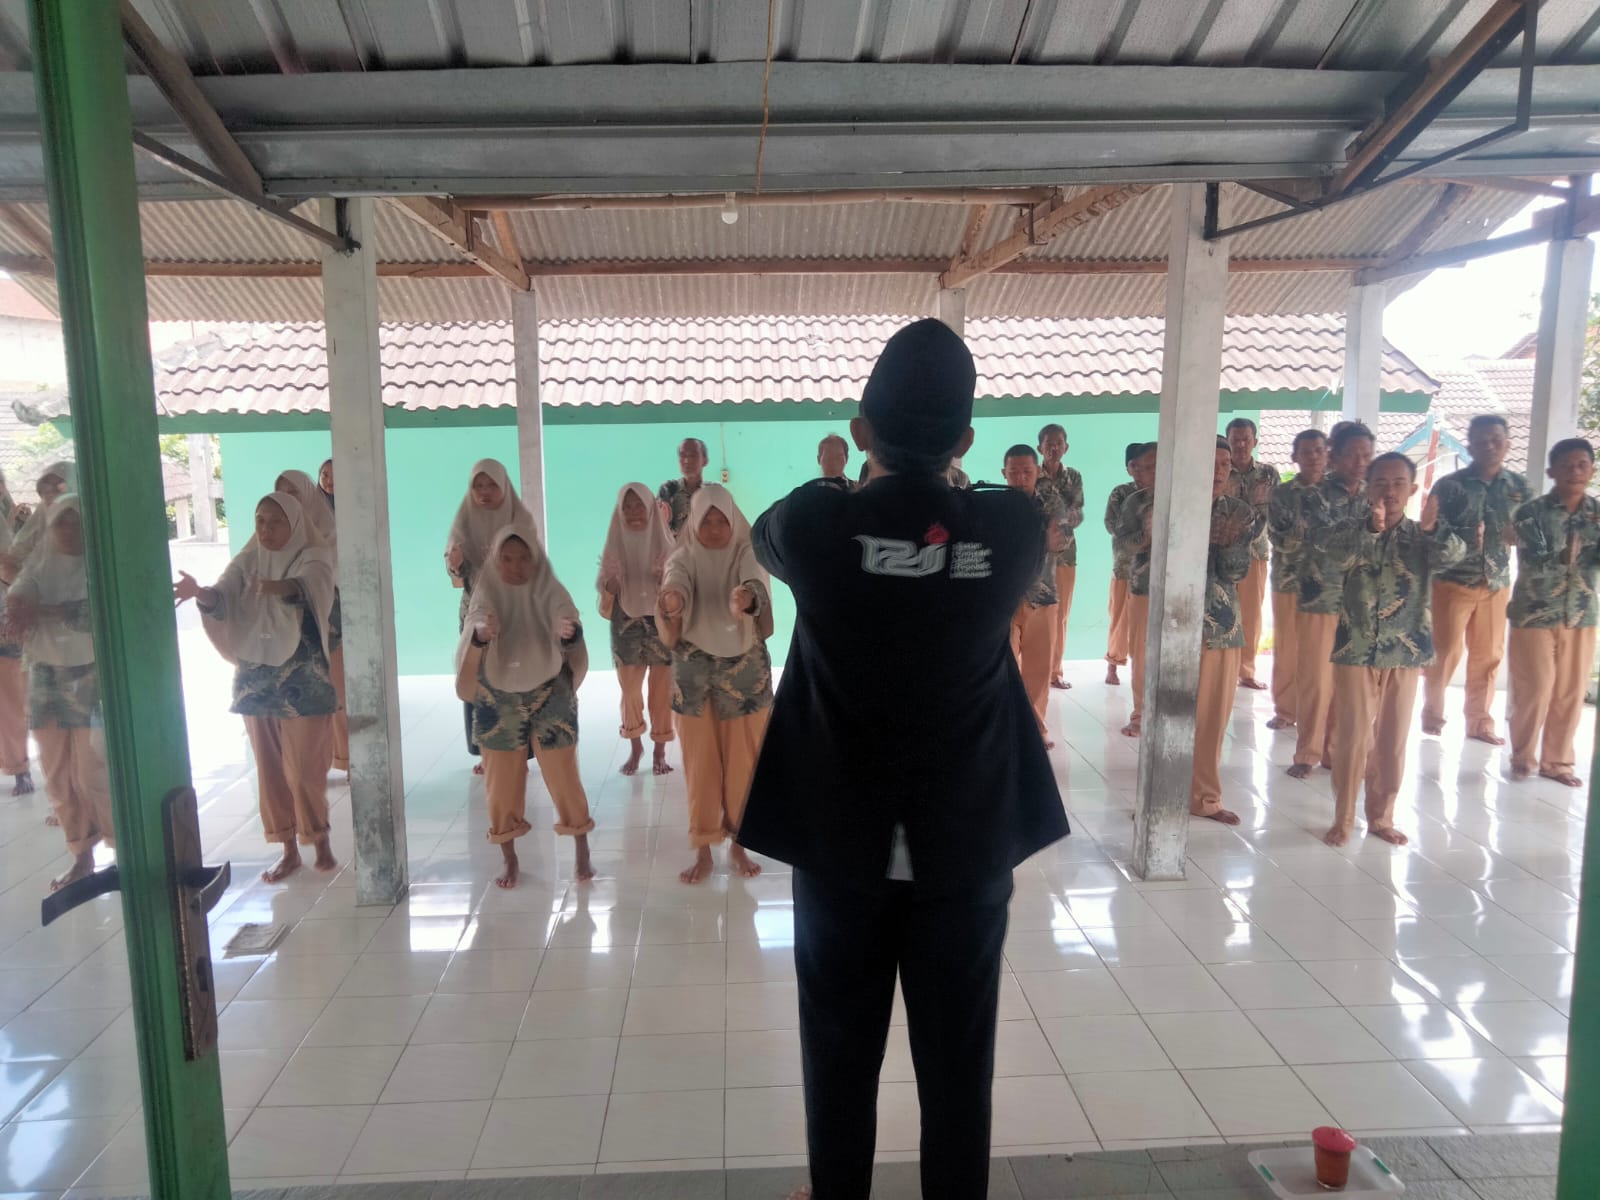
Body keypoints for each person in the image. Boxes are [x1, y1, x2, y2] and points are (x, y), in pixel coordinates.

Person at [737, 318, 1068, 1200]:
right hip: (965, 842)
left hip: (842, 841)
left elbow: (767, 536)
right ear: (965, 441)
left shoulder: (816, 523)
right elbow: (981, 519)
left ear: (859, 433)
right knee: (960, 1065)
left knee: (838, 1052)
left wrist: (859, 510)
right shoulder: (1012, 526)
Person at [175, 494, 338, 883]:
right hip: (256, 679)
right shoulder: (248, 560)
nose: (265, 529)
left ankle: (319, 839)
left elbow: (311, 586)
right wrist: (200, 593)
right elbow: (222, 596)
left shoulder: (313, 555)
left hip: (304, 679)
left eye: (275, 521)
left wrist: (277, 587)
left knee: (304, 769)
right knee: (268, 767)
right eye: (260, 520)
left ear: (293, 524)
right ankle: (288, 849)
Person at [1323, 454, 1463, 847]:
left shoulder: (1423, 535)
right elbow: (1334, 559)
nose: (1389, 490)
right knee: (1353, 738)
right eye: (1381, 482)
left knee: (1392, 739)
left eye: (1398, 482)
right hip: (1356, 647)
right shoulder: (1349, 530)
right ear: (1368, 489)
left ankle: (1381, 817)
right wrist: (1370, 529)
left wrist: (1434, 528)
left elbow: (1453, 556)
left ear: (1413, 489)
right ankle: (1343, 817)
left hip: (1405, 648)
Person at [458, 526, 595, 888]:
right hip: (497, 697)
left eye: (523, 558)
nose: (516, 566)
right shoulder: (487, 591)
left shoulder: (548, 587)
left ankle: (581, 846)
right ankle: (509, 857)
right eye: (507, 559)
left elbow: (566, 615)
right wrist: (481, 635)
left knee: (564, 774)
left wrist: (569, 631)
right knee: (501, 783)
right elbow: (476, 622)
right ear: (496, 560)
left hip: (550, 692)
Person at [656, 484, 773, 885]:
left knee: (744, 762)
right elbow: (676, 580)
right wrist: (672, 600)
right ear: (694, 523)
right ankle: (704, 849)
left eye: (723, 520)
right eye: (707, 521)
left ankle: (739, 842)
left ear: (733, 520)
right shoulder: (684, 555)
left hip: (744, 675)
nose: (716, 528)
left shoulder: (745, 550)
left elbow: (755, 581)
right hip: (694, 679)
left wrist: (746, 598)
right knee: (700, 764)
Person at [6, 497, 112, 892]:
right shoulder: (40, 565)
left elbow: (93, 613)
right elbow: (21, 590)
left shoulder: (102, 568)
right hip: (46, 679)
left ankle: (125, 847)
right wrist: (18, 605)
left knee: (92, 772)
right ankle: (81, 856)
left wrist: (45, 612)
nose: (68, 530)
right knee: (57, 775)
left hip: (91, 677)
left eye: (76, 523)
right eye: (61, 523)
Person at [1421, 414, 1533, 744]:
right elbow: (1431, 531)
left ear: (1507, 444)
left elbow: (1536, 532)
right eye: (1481, 440)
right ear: (1469, 446)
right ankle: (1433, 712)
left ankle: (1480, 721)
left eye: (1496, 440)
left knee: (1488, 655)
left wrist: (1519, 537)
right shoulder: (1450, 486)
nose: (1489, 446)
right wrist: (1466, 539)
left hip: (1496, 583)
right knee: (1444, 652)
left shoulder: (1520, 488)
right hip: (1452, 581)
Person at [1506, 438, 1600, 787]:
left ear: (1592, 470)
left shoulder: (1597, 514)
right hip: (1534, 612)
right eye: (1567, 465)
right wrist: (1561, 557)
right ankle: (1523, 755)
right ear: (1551, 472)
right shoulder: (1531, 513)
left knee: (1570, 692)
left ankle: (1557, 762)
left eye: (1582, 464)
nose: (1575, 471)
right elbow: (1531, 560)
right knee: (1535, 688)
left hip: (1580, 613)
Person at [1283, 422, 1373, 779]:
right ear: (1335, 456)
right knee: (1317, 681)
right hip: (1320, 597)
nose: (1360, 462)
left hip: (1363, 603)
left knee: (1351, 683)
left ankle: (1337, 751)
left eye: (1366, 455)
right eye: (1353, 455)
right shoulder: (1313, 495)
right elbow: (1317, 540)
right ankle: (1308, 752)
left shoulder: (1374, 493)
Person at [445, 459, 537, 772]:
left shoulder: (520, 519)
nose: (484, 492)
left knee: (514, 679)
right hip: (476, 611)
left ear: (504, 486)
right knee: (479, 679)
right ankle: (489, 751)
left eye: (491, 485)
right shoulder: (464, 520)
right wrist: (455, 564)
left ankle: (519, 750)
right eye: (478, 486)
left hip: (514, 610)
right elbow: (454, 572)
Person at [1192, 439, 1260, 826]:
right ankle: (1159, 794)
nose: (1218, 471)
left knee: (1212, 718)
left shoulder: (1240, 512)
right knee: (1165, 713)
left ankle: (1205, 798)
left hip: (1220, 626)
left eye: (1224, 464)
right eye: (1211, 462)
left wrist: (1224, 541)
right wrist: (1214, 539)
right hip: (1170, 623)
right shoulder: (1167, 504)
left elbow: (1234, 570)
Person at [598, 483, 676, 777]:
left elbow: (680, 590)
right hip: (626, 625)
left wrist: (664, 580)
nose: (633, 512)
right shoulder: (615, 542)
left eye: (638, 506)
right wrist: (610, 585)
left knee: (661, 692)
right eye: (627, 506)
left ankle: (659, 751)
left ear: (650, 508)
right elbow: (605, 594)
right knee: (629, 690)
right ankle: (635, 746)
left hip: (660, 624)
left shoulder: (666, 544)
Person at [276, 470, 348, 774]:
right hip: (288, 629)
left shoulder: (328, 532)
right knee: (300, 699)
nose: (287, 499)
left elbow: (333, 576)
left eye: (293, 492)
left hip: (328, 623)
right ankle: (311, 766)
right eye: (282, 492)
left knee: (336, 691)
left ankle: (349, 759)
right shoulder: (273, 533)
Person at [1002, 444, 1069, 747]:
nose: (1020, 478)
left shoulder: (1052, 504)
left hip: (1043, 598)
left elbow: (1061, 542)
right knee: (1004, 668)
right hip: (1005, 600)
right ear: (1004, 473)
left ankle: (1036, 729)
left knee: (1039, 671)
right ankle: (1005, 728)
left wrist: (1038, 542)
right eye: (1014, 472)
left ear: (1037, 471)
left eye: (1026, 471)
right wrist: (1042, 541)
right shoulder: (995, 506)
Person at [1264, 430, 1328, 731]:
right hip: (1290, 582)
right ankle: (1286, 709)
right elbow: (1279, 539)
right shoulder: (1282, 494)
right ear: (1295, 457)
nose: (1313, 457)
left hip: (1329, 587)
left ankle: (1321, 711)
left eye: (1319, 450)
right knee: (1288, 648)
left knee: (1322, 653)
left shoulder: (1339, 491)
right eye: (1306, 451)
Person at [1226, 418, 1277, 690]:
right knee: (1221, 611)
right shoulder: (1219, 470)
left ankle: (1245, 670)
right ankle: (1220, 668)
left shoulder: (1268, 474)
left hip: (1255, 554)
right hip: (1221, 555)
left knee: (1251, 614)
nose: (1241, 444)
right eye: (1235, 439)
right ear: (1228, 441)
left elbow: (1275, 512)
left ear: (1255, 441)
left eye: (1246, 439)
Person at [1035, 424, 1085, 690]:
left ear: (1066, 447)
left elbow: (1077, 511)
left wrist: (1063, 520)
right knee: (1036, 612)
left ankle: (1055, 671)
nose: (1054, 448)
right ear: (1039, 447)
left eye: (1059, 443)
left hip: (1065, 554)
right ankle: (1032, 669)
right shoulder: (1032, 474)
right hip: (1037, 554)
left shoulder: (1073, 477)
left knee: (1061, 614)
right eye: (1048, 443)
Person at [1116, 444, 1158, 738]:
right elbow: (1121, 545)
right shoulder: (1134, 502)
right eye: (1146, 467)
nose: (1152, 472)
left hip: (1188, 589)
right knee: (1142, 654)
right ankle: (1142, 714)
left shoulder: (1190, 497)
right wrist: (1146, 535)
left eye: (1157, 465)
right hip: (1144, 586)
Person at [1102, 442, 1146, 686]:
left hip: (1150, 569)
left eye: (1146, 466)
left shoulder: (1161, 492)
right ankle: (1113, 664)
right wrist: (1141, 535)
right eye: (1135, 466)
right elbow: (1112, 525)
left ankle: (1144, 669)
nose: (1141, 471)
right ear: (1128, 467)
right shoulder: (1121, 493)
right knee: (1120, 617)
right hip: (1125, 566)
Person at [658, 437, 710, 540]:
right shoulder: (668, 490)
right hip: (675, 548)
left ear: (705, 460)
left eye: (693, 455)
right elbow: (658, 529)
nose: (687, 460)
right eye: (682, 455)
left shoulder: (714, 492)